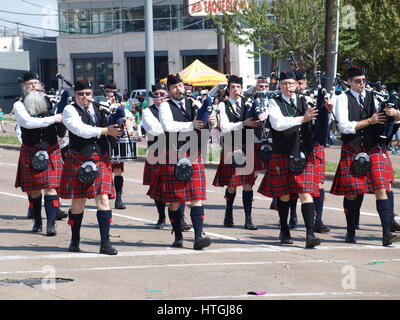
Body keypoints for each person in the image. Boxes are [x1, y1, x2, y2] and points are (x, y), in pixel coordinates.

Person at [330, 66, 400, 246]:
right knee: (353, 193)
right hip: (352, 148)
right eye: (358, 81)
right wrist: (370, 121)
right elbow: (344, 126)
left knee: (382, 187)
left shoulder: (373, 97)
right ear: (349, 82)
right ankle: (351, 230)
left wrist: (394, 114)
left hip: (373, 148)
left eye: (364, 80)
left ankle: (386, 233)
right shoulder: (342, 98)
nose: (362, 84)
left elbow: (385, 119)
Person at [258, 70, 326, 248]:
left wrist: (325, 110)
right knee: (285, 195)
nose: (288, 87)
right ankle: (284, 228)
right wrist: (301, 118)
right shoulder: (274, 102)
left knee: (306, 192)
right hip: (283, 153)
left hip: (303, 154)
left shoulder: (305, 101)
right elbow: (278, 124)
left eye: (291, 84)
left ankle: (310, 234)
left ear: (297, 85)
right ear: (279, 86)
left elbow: (317, 125)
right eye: (284, 84)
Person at [150, 73, 212, 250]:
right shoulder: (164, 107)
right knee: (175, 199)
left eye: (180, 86)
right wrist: (191, 125)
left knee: (196, 197)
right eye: (174, 87)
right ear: (168, 90)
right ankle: (177, 235)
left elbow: (203, 122)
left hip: (193, 153)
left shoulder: (194, 103)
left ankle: (199, 236)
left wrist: (211, 122)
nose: (178, 89)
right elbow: (168, 127)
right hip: (173, 154)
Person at [60, 80, 122, 255]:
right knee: (78, 203)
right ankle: (75, 239)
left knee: (103, 199)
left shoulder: (100, 107)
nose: (84, 97)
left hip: (100, 158)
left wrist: (119, 123)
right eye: (81, 94)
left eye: (87, 93)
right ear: (75, 94)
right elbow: (79, 129)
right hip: (79, 159)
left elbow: (113, 124)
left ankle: (105, 242)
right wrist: (104, 131)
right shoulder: (69, 110)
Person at [14, 72, 64, 236]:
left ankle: (51, 224)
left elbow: (61, 126)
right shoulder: (19, 105)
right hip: (31, 149)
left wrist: (62, 117)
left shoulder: (52, 103)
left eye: (36, 83)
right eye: (30, 84)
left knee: (51, 188)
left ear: (41, 86)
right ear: (24, 87)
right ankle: (37, 221)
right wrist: (53, 119)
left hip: (51, 149)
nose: (34, 87)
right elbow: (28, 123)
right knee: (34, 190)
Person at [212, 75, 263, 230]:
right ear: (228, 89)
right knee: (232, 185)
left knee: (248, 184)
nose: (236, 90)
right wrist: (244, 123)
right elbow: (225, 127)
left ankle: (248, 219)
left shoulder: (249, 103)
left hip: (247, 143)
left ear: (242, 88)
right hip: (231, 145)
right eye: (233, 87)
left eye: (238, 87)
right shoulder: (222, 105)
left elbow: (259, 118)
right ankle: (229, 214)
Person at [104, 83, 135, 210]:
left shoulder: (122, 107)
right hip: (102, 140)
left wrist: (130, 128)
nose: (110, 93)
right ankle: (104, 197)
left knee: (117, 171)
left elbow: (127, 120)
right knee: (103, 170)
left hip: (116, 140)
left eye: (112, 91)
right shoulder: (100, 105)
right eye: (108, 90)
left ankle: (119, 198)